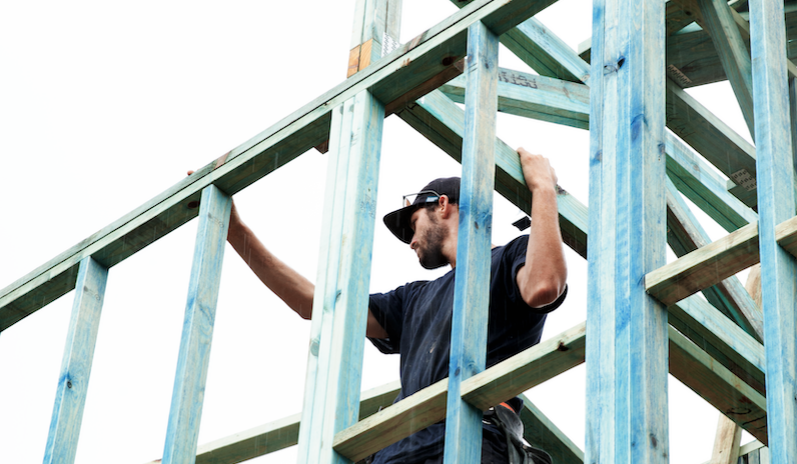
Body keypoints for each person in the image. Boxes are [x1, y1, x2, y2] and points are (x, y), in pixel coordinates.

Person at [223, 148, 568, 464]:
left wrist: (543, 190)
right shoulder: (411, 299)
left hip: (467, 442)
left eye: (412, 225)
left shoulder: (508, 259)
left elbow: (544, 286)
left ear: (443, 205)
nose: (411, 241)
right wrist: (237, 232)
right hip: (398, 450)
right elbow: (314, 304)